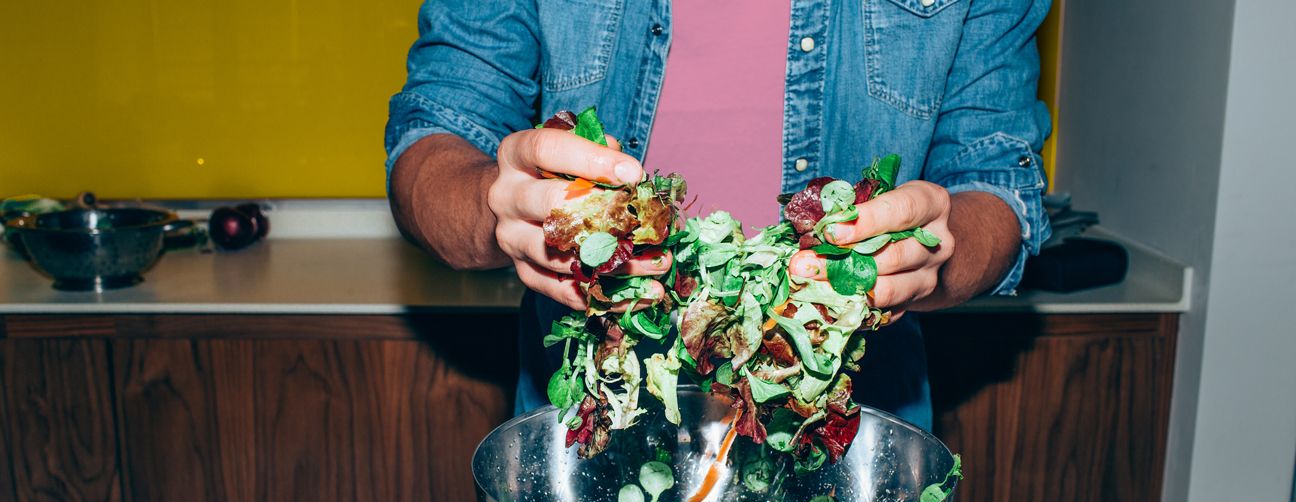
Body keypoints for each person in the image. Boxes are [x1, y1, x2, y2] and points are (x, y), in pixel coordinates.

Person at [385, 0, 1051, 432]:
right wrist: (492, 204)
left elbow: (998, 182)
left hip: (853, 431)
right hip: (589, 429)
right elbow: (435, 133)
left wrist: (939, 254)